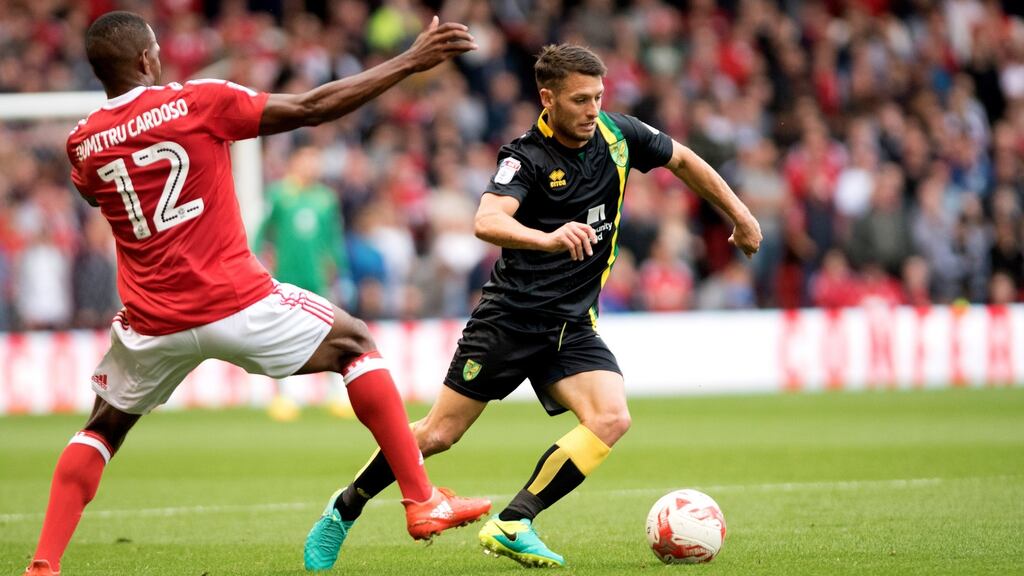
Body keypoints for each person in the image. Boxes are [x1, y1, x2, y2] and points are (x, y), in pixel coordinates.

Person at [24, 11, 491, 576]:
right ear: (148, 58)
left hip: (152, 320)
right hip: (234, 299)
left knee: (101, 428)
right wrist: (411, 61)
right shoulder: (199, 102)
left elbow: (100, 201)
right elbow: (312, 108)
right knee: (354, 343)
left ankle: (43, 565)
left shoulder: (81, 145)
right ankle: (422, 500)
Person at [305, 43, 762, 569]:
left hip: (571, 324)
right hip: (510, 320)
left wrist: (739, 214)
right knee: (439, 433)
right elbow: (487, 221)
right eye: (579, 100)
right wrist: (546, 238)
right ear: (548, 99)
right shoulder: (524, 156)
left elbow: (682, 159)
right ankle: (344, 508)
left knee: (611, 417)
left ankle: (515, 521)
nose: (593, 110)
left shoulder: (619, 135)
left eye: (598, 97)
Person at [254, 146, 353, 421]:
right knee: (279, 336)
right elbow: (262, 232)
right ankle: (284, 396)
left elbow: (333, 238)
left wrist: (340, 270)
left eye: (316, 162)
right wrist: (256, 260)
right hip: (285, 277)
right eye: (307, 161)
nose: (312, 167)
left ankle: (335, 393)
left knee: (327, 334)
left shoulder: (325, 199)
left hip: (317, 278)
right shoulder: (279, 195)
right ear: (295, 163)